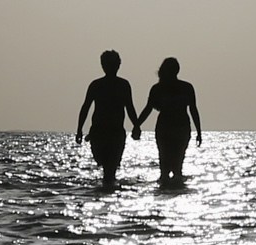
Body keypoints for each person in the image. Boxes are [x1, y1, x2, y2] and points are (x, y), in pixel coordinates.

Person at [132, 56, 200, 184]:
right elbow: (149, 108)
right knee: (174, 165)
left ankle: (168, 188)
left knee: (170, 164)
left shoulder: (165, 88)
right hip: (172, 129)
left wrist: (137, 125)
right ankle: (173, 188)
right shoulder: (166, 88)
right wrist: (136, 125)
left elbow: (193, 110)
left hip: (175, 129)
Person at [74, 49, 135, 189]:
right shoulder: (96, 85)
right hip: (99, 132)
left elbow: (129, 107)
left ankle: (108, 187)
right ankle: (108, 186)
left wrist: (136, 126)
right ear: (103, 66)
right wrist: (79, 129)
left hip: (114, 132)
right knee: (105, 164)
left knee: (110, 168)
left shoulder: (123, 85)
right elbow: (86, 107)